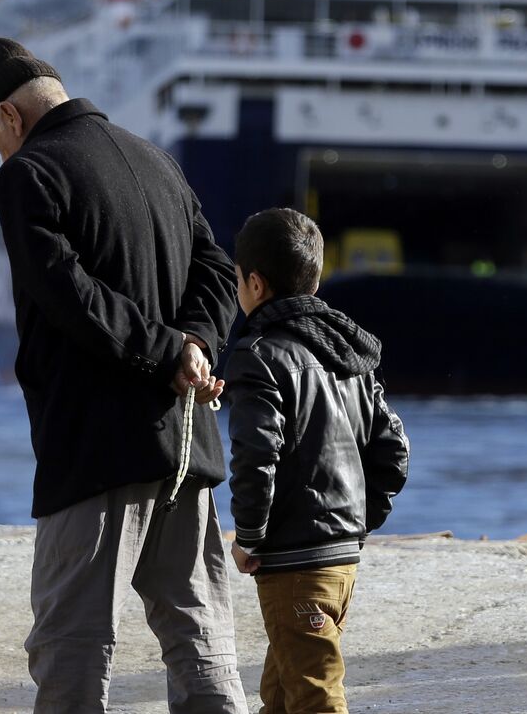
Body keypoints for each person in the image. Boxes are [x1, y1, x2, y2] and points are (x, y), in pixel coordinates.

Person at [0, 37, 247, 714]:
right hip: (186, 437)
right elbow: (217, 270)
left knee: (72, 644)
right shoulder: (157, 158)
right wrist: (196, 345)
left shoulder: (28, 174)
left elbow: (67, 293)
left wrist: (166, 351)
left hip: (94, 447)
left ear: (9, 116)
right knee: (199, 633)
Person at [222, 207, 410, 714]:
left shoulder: (258, 355)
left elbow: (256, 457)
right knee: (282, 694)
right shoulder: (346, 350)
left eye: (237, 280)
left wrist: (250, 537)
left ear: (254, 284)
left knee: (314, 695)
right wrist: (358, 521)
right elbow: (393, 449)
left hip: (294, 560)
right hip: (341, 556)